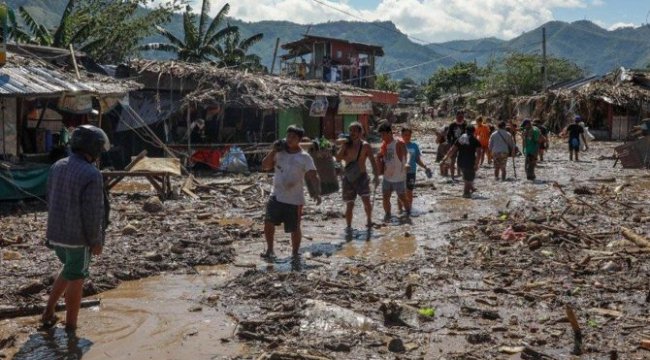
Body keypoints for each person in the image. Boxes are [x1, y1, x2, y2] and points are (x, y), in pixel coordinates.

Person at [42, 124, 110, 332]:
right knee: (77, 278)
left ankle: (48, 311)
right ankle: (71, 327)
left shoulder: (58, 165)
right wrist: (96, 241)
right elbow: (92, 214)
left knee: (69, 269)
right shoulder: (92, 174)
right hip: (77, 238)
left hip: (56, 234)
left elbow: (50, 198)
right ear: (94, 149)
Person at [261, 125, 321, 260]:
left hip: (294, 199)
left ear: (299, 139)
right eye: (288, 136)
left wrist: (316, 192)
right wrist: (273, 151)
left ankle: (295, 253)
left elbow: (313, 175)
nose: (289, 139)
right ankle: (270, 250)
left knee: (294, 227)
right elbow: (265, 166)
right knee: (268, 222)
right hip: (276, 195)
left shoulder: (305, 157)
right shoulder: (279, 152)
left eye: (293, 137)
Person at [335, 122, 380, 231]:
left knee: (366, 200)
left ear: (360, 133)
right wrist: (344, 146)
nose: (352, 133)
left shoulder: (365, 146)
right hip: (348, 178)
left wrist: (376, 176)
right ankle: (349, 226)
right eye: (350, 131)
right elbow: (338, 158)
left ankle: (369, 220)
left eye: (355, 131)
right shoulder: (346, 145)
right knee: (349, 204)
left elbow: (373, 162)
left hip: (362, 177)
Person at [376, 121, 410, 222]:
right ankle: (387, 216)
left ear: (389, 133)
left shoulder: (398, 143)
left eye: (383, 134)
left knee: (402, 197)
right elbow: (382, 158)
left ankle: (408, 213)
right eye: (380, 134)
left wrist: (407, 163)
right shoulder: (384, 145)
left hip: (399, 177)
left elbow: (407, 154)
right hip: (387, 177)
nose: (381, 137)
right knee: (385, 197)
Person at [398, 126, 432, 213]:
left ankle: (409, 209)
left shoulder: (414, 146)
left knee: (409, 191)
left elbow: (417, 159)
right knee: (401, 192)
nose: (407, 137)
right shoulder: (398, 145)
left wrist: (425, 167)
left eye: (409, 135)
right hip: (399, 172)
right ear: (401, 135)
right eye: (405, 135)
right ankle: (400, 210)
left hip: (411, 172)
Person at [442, 125, 482, 198]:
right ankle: (466, 194)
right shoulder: (475, 141)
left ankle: (471, 188)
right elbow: (479, 154)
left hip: (460, 162)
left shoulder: (460, 139)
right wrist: (476, 164)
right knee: (469, 179)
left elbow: (452, 150)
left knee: (466, 177)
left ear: (465, 131)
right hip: (470, 162)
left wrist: (445, 158)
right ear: (474, 132)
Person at [446, 110, 467, 178]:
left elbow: (468, 134)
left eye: (462, 117)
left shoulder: (465, 124)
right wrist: (450, 143)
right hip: (454, 144)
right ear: (456, 116)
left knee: (461, 160)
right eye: (459, 116)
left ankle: (459, 173)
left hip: (463, 145)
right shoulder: (452, 125)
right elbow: (448, 135)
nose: (461, 118)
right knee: (453, 160)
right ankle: (452, 175)